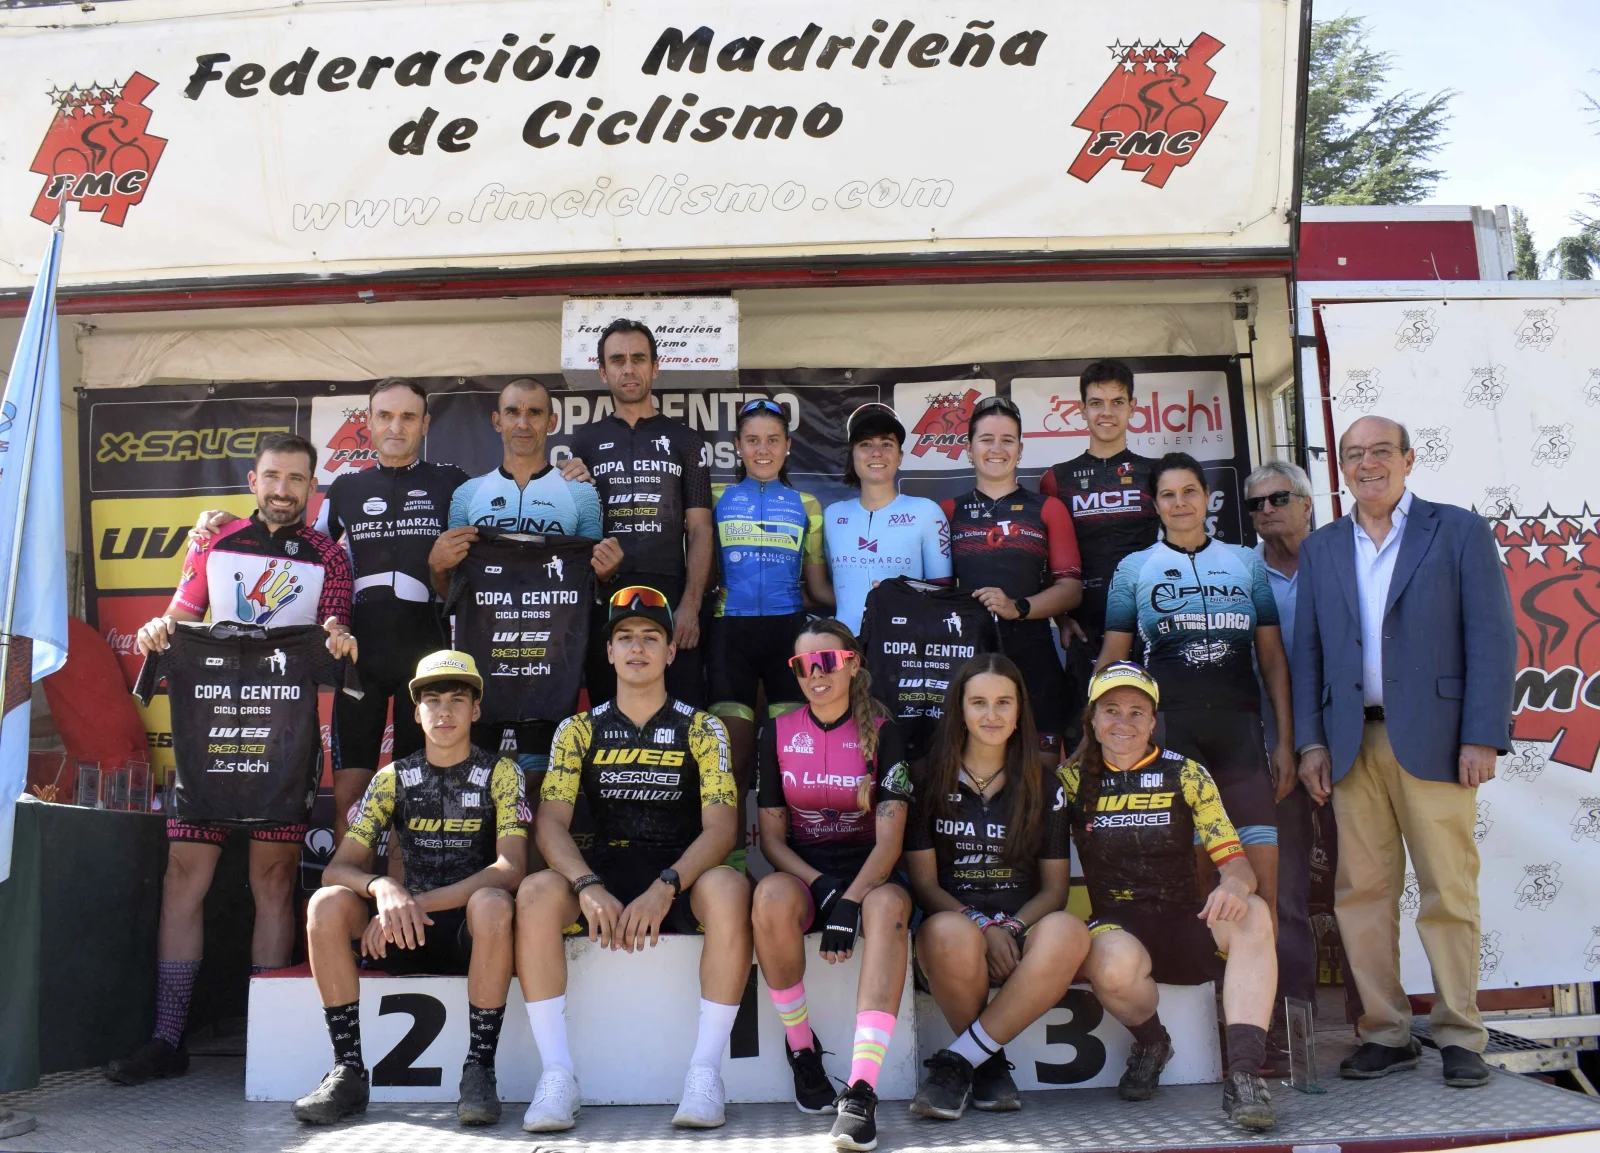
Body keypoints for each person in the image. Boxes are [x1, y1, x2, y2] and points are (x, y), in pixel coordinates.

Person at [107, 433, 356, 1084]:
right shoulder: (214, 541)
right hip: (207, 730)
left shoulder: (329, 555)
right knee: (182, 876)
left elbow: (336, 635)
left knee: (273, 882)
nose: (282, 489)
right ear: (253, 480)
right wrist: (158, 629)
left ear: (311, 487)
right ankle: (167, 1037)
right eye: (272, 476)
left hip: (283, 739)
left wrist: (339, 635)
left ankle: (266, 1043)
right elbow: (177, 617)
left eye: (296, 479)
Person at [1293, 415, 1515, 1089]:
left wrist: (1482, 733)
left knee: (1449, 889)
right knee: (1361, 893)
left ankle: (1459, 1033)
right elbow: (1308, 652)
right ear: (1342, 467)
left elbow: (1492, 636)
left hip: (1441, 742)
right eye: (1353, 454)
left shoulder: (1458, 531)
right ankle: (1385, 1031)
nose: (1367, 464)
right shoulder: (1323, 546)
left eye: (1380, 451)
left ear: (1409, 458)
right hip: (1352, 740)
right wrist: (1309, 741)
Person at [514, 586, 750, 1132]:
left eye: (651, 638)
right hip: (603, 873)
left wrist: (667, 885)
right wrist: (585, 884)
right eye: (625, 638)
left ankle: (705, 1071)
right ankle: (556, 1075)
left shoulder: (703, 727)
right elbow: (549, 823)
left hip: (678, 874)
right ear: (610, 654)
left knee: (732, 888)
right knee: (534, 892)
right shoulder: (577, 729)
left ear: (671, 652)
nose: (638, 648)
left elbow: (721, 829)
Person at [291, 651, 526, 1127]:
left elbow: (510, 869)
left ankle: (479, 1071)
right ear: (416, 712)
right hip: (399, 933)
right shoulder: (392, 777)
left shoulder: (503, 772)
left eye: (457, 700)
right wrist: (381, 888)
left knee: (493, 902)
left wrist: (411, 902)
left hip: (471, 935)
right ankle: (348, 1072)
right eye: (432, 701)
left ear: (476, 710)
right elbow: (338, 869)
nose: (443, 711)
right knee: (326, 905)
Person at [1065, 663, 1279, 1132]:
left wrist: (1236, 884)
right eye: (1111, 710)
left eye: (1137, 712)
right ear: (1093, 719)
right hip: (1117, 929)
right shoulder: (1068, 782)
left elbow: (1236, 862)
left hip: (1186, 921)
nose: (1124, 722)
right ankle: (1152, 1043)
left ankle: (1244, 1075)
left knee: (1254, 913)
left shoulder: (1187, 773)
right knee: (1107, 958)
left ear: (1153, 720)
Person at [1099, 452, 1295, 922]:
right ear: (1155, 504)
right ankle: (1205, 988)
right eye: (1168, 494)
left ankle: (1259, 990)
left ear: (1208, 498)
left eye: (1190, 491)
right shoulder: (1133, 569)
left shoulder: (1246, 564)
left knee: (1263, 879)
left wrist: (1286, 741)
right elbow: (1112, 660)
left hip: (1242, 735)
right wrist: (1093, 735)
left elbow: (1271, 657)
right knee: (1194, 881)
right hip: (1171, 735)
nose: (1180, 502)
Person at [903, 653, 1090, 1121]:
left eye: (1004, 703)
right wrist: (983, 927)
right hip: (953, 933)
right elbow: (924, 884)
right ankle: (987, 1066)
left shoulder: (1045, 785)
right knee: (950, 932)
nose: (991, 715)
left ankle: (961, 1061)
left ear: (1020, 710)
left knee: (1068, 930)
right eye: (979, 703)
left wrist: (1010, 926)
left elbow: (1054, 891)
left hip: (1020, 932)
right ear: (960, 710)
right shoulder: (924, 779)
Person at [752, 619, 913, 1152]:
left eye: (828, 662)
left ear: (852, 663)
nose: (816, 675)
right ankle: (802, 1050)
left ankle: (862, 1092)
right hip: (806, 871)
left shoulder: (886, 730)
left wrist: (849, 900)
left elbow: (889, 846)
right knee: (769, 896)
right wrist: (821, 887)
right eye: (804, 666)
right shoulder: (776, 732)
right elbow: (773, 841)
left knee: (889, 906)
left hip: (872, 872)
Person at [429, 377, 623, 777]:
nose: (523, 423)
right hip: (484, 664)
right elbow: (452, 593)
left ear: (551, 422)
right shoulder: (468, 494)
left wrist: (607, 573)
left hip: (551, 666)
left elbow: (589, 586)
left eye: (534, 413)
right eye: (514, 412)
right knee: (476, 781)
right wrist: (436, 566)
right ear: (497, 421)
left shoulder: (581, 494)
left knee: (539, 781)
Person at [567, 319, 714, 706]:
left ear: (655, 366)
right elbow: (576, 529)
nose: (628, 368)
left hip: (671, 593)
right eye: (617, 360)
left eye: (638, 358)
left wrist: (690, 606)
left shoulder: (686, 438)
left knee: (682, 713)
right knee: (608, 711)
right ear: (603, 370)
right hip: (605, 591)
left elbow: (700, 530)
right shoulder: (584, 440)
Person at [708, 398, 833, 828]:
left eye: (773, 440)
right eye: (753, 440)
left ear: (787, 446)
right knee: (733, 757)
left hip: (788, 635)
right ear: (738, 446)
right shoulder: (716, 498)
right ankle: (732, 862)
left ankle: (796, 863)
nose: (763, 450)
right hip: (730, 636)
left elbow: (818, 589)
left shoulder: (807, 504)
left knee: (790, 762)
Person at [940, 395, 1083, 756]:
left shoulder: (1047, 509)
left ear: (1020, 450)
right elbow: (934, 595)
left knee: (1042, 770)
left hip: (1033, 655)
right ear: (969, 448)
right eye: (986, 439)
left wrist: (1017, 607)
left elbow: (1070, 589)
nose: (997, 448)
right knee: (973, 769)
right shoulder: (946, 511)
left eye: (1007, 440)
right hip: (968, 656)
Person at [1245, 460, 1319, 1063]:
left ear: (1308, 502)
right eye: (1256, 503)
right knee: (1283, 895)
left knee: (1366, 890)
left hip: (1354, 748)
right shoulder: (1241, 574)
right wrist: (1282, 744)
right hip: (1272, 753)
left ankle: (1383, 1026)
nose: (1268, 509)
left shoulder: (1346, 560)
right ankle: (1295, 1030)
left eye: (1279, 498)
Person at [1039, 358, 1161, 654]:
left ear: (1133, 407)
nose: (1107, 413)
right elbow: (1042, 561)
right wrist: (1061, 617)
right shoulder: (1057, 478)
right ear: (1081, 409)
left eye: (1117, 402)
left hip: (1150, 623)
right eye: (1096, 403)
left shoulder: (1157, 474)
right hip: (1085, 632)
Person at [823, 402, 951, 637]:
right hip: (846, 648)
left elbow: (942, 593)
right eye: (865, 444)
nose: (876, 452)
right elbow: (834, 588)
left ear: (900, 456)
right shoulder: (832, 515)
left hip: (906, 647)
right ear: (852, 455)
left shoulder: (926, 512)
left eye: (886, 444)